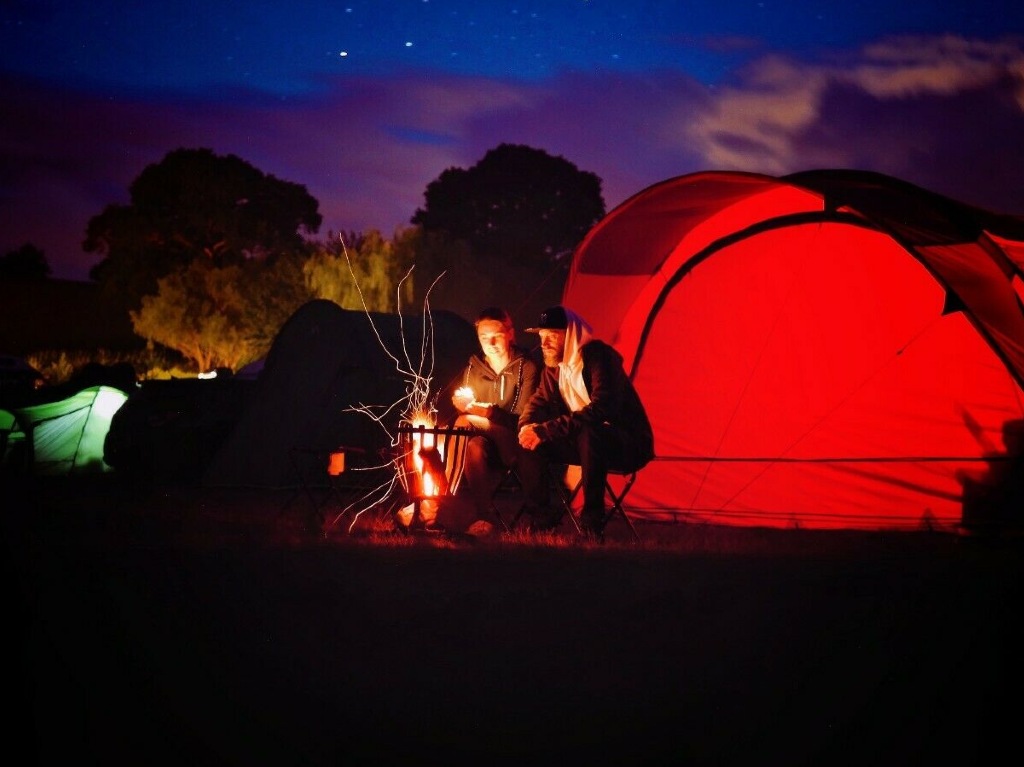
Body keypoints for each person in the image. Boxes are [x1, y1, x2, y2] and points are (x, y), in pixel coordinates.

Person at [518, 305, 654, 537]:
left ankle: (592, 521)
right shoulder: (553, 369)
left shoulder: (599, 357)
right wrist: (527, 427)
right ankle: (542, 515)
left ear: (570, 334)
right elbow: (537, 402)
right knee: (528, 441)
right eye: (542, 336)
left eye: (552, 336)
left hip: (626, 443)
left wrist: (546, 430)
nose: (544, 343)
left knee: (590, 433)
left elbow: (603, 409)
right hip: (585, 444)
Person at [434, 306, 550, 535]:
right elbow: (467, 406)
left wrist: (486, 413)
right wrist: (463, 404)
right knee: (474, 445)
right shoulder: (475, 368)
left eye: (497, 336)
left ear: (510, 333)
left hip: (518, 443)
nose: (491, 343)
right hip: (488, 446)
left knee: (464, 422)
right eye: (484, 338)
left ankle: (438, 499)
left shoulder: (527, 367)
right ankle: (483, 518)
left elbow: (521, 419)